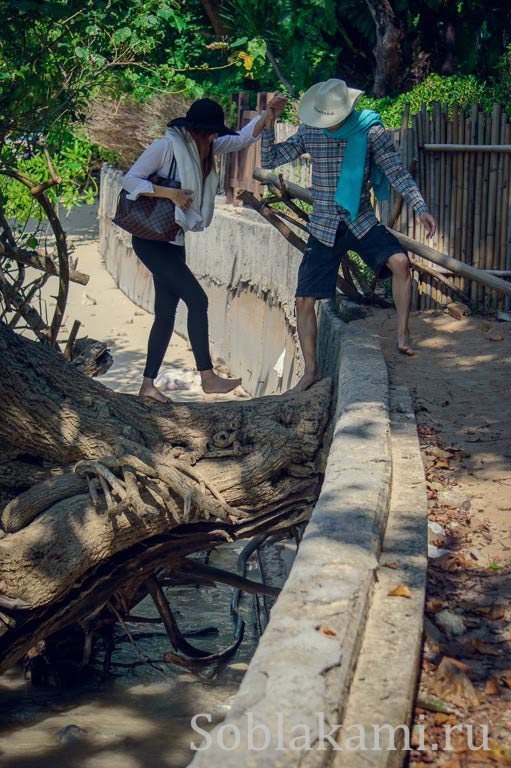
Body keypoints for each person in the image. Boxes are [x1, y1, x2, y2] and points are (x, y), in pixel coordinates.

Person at [261, 80, 437, 393]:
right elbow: (271, 160)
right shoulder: (311, 131)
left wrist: (420, 207)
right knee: (304, 299)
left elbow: (396, 171)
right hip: (325, 224)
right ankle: (311, 370)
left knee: (400, 263)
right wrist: (269, 122)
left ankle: (402, 334)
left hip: (360, 219)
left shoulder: (370, 131)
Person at [122, 97, 271, 404]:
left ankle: (148, 385)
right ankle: (207, 377)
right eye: (211, 132)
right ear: (197, 130)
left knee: (165, 315)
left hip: (173, 240)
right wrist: (171, 193)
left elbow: (242, 139)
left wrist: (269, 114)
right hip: (151, 240)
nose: (216, 137)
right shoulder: (166, 148)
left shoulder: (205, 147)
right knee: (198, 300)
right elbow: (130, 179)